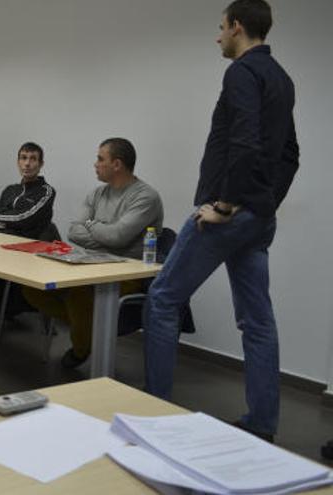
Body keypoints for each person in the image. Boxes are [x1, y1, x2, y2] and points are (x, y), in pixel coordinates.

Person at [144, 0, 298, 443]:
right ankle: (262, 425)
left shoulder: (242, 72)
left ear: (236, 26)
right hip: (258, 216)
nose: (217, 37)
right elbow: (291, 155)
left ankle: (150, 410)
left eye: (220, 28)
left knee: (162, 299)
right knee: (257, 321)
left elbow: (245, 142)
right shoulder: (282, 79)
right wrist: (265, 204)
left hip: (227, 214)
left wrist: (228, 204)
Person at [23, 138, 162, 368]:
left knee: (79, 294)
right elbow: (74, 232)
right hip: (89, 262)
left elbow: (118, 237)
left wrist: (91, 224)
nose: (95, 164)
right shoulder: (97, 193)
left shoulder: (145, 197)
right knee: (32, 286)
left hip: (127, 272)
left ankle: (81, 349)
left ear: (116, 164)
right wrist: (102, 231)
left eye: (100, 159)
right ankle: (86, 328)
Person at [0, 142, 55, 326]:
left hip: (27, 250)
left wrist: (2, 222)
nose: (27, 164)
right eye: (23, 158)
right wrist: (6, 224)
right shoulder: (10, 190)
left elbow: (25, 218)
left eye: (33, 159)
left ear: (41, 164)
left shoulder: (46, 191)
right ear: (17, 162)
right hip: (0, 242)